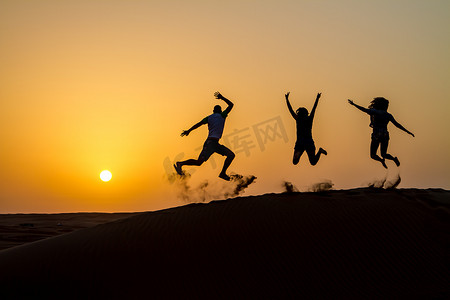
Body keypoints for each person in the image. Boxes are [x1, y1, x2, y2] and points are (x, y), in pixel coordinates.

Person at [174, 92, 235, 181]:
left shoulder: (209, 117)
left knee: (200, 162)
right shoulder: (222, 115)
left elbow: (198, 124)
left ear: (213, 111)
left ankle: (222, 173)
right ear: (221, 111)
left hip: (212, 144)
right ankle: (180, 163)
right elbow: (231, 105)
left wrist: (189, 131)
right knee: (230, 155)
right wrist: (222, 97)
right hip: (211, 144)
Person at [348, 97, 414, 168]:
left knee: (373, 155)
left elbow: (364, 109)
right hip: (385, 135)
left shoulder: (374, 111)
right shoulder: (388, 115)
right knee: (384, 154)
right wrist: (408, 132)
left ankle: (381, 161)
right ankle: (394, 159)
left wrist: (354, 104)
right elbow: (397, 125)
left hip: (376, 135)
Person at [285, 92, 327, 166]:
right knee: (313, 162)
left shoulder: (298, 119)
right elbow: (314, 108)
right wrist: (317, 98)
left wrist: (287, 100)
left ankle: (298, 153)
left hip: (301, 142)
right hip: (308, 142)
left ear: (299, 114)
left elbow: (291, 110)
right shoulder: (309, 119)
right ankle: (319, 151)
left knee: (295, 162)